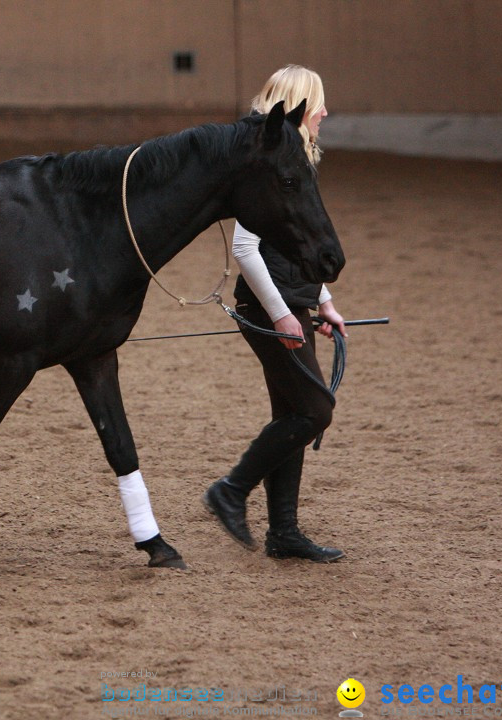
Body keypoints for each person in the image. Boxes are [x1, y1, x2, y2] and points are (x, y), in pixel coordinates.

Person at [203, 65, 347, 562]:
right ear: (301, 104)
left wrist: (322, 301)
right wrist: (284, 315)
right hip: (270, 309)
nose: (326, 111)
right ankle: (231, 488)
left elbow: (303, 239)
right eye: (320, 103)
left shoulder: (296, 155)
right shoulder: (264, 159)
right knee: (314, 409)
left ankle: (283, 533)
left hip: (292, 304)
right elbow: (246, 248)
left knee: (292, 413)